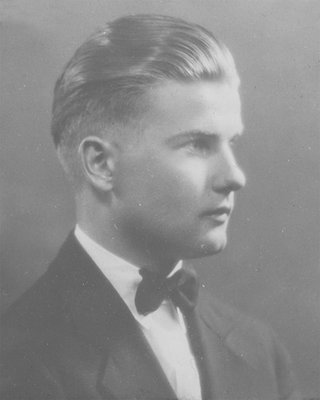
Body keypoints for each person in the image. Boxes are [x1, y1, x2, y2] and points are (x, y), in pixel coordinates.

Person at [1, 14, 300, 400]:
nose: (235, 176)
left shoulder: (261, 351)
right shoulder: (20, 360)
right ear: (101, 164)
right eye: (197, 145)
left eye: (231, 143)